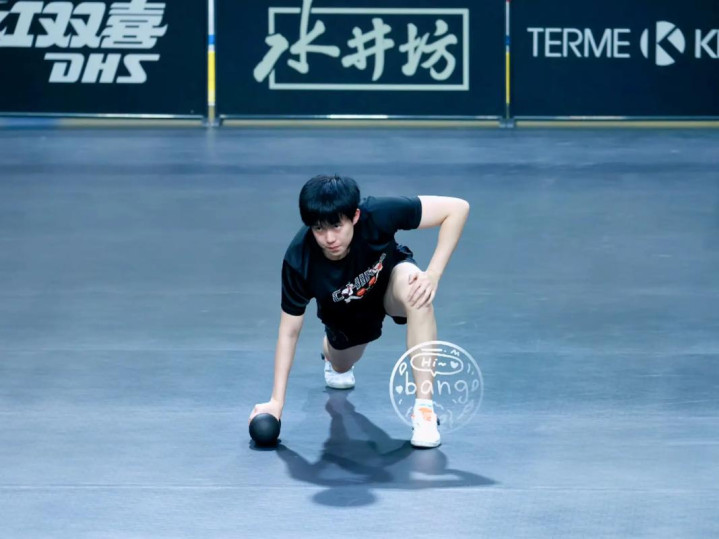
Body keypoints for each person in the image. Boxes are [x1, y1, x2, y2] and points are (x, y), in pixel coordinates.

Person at [249, 175, 470, 448]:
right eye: (318, 229)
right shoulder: (299, 260)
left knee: (419, 295)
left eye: (336, 226)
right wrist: (276, 402)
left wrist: (433, 273)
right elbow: (289, 332)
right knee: (341, 364)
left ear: (354, 216)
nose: (329, 238)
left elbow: (457, 209)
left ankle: (424, 410)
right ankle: (330, 352)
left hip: (391, 282)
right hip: (346, 316)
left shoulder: (377, 214)